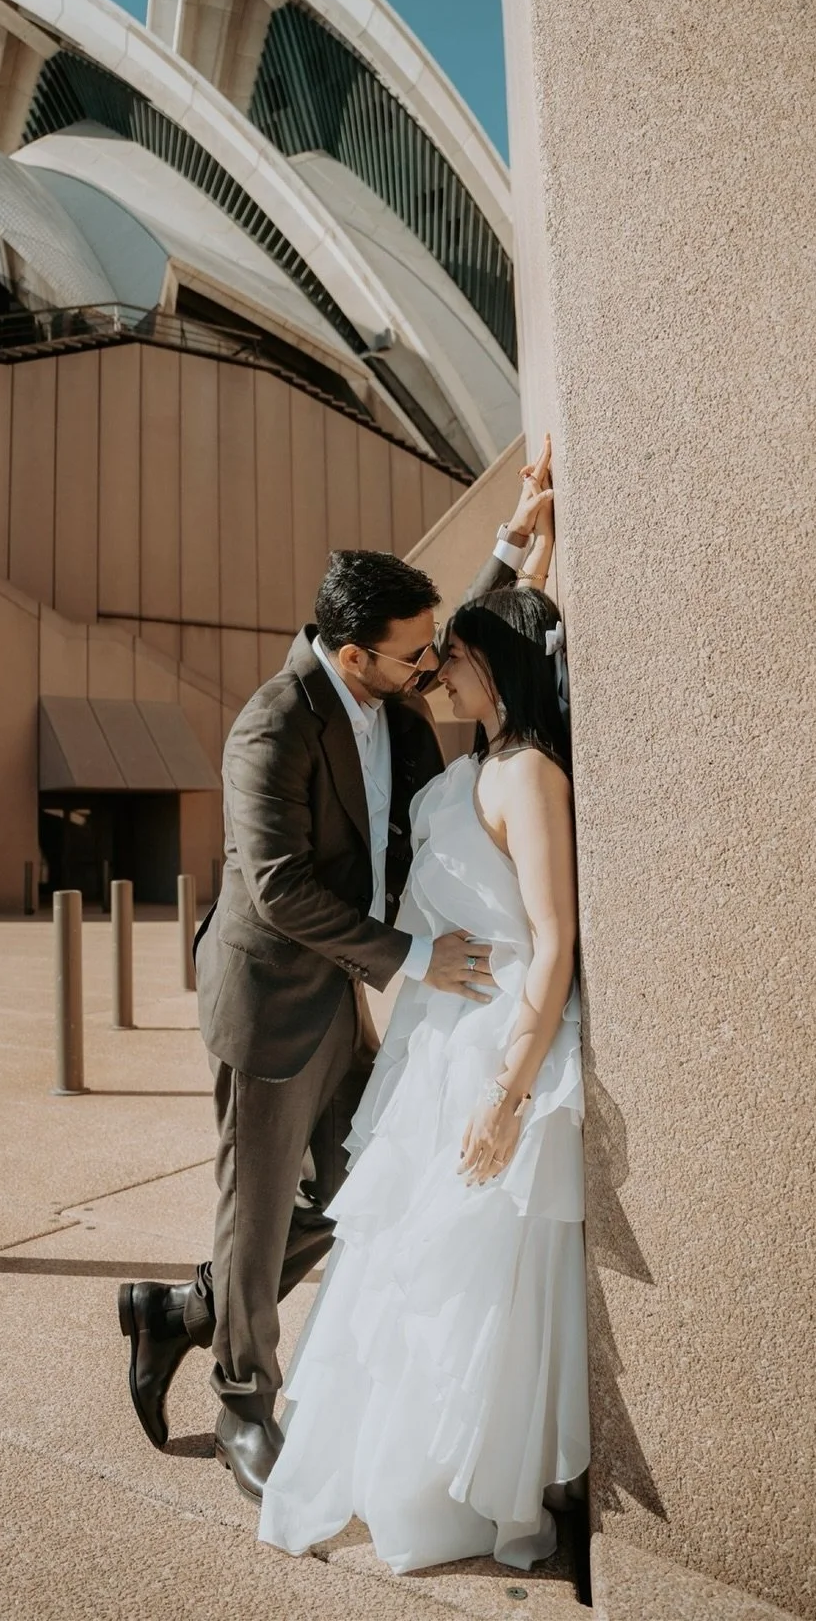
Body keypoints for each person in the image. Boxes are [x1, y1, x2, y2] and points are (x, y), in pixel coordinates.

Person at [118, 439, 560, 1505]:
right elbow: (274, 889)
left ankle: (182, 1313)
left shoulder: (393, 686)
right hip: (269, 1004)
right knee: (260, 1208)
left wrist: (514, 542)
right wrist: (411, 956)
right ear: (351, 653)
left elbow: (458, 638)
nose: (429, 668)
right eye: (411, 657)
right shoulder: (270, 726)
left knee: (365, 1193)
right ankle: (239, 1402)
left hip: (344, 1006)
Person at [256, 569, 588, 1573]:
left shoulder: (530, 773)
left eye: (455, 651)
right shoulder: (463, 770)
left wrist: (507, 1096)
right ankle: (412, 1464)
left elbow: (553, 939)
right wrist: (524, 539)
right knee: (412, 1273)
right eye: (425, 651)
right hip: (441, 1047)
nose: (436, 666)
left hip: (501, 1052)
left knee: (476, 1277)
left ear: (496, 664)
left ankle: (470, 1478)